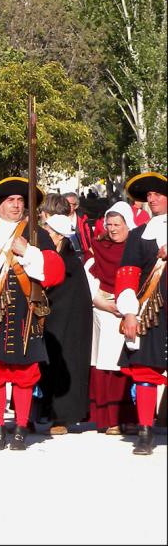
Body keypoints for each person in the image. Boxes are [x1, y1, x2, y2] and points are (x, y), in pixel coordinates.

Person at [0, 177, 66, 451]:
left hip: (26, 315)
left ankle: (20, 428)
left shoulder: (37, 235)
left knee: (24, 373)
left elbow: (55, 272)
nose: (16, 205)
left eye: (20, 201)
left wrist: (27, 251)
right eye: (10, 201)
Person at [114, 172, 167, 456]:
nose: (152, 199)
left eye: (158, 194)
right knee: (145, 370)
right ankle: (145, 431)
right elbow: (127, 276)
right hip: (151, 311)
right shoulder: (137, 236)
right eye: (149, 195)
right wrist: (129, 314)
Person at [84, 201, 138, 435]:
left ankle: (130, 417)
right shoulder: (98, 248)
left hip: (132, 310)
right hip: (104, 311)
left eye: (117, 224)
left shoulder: (136, 247)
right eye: (109, 224)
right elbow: (88, 279)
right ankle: (109, 418)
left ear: (128, 225)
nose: (113, 229)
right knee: (106, 363)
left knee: (129, 364)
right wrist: (103, 304)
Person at [38, 214, 92, 434]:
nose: (45, 235)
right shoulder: (45, 255)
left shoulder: (71, 262)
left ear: (60, 236)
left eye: (49, 231)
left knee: (64, 363)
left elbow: (70, 295)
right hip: (48, 318)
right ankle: (36, 413)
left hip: (68, 320)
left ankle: (62, 417)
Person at [65, 191, 93, 255]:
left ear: (76, 206)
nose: (66, 206)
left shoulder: (84, 219)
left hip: (84, 254)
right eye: (64, 203)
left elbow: (91, 238)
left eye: (69, 204)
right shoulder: (59, 219)